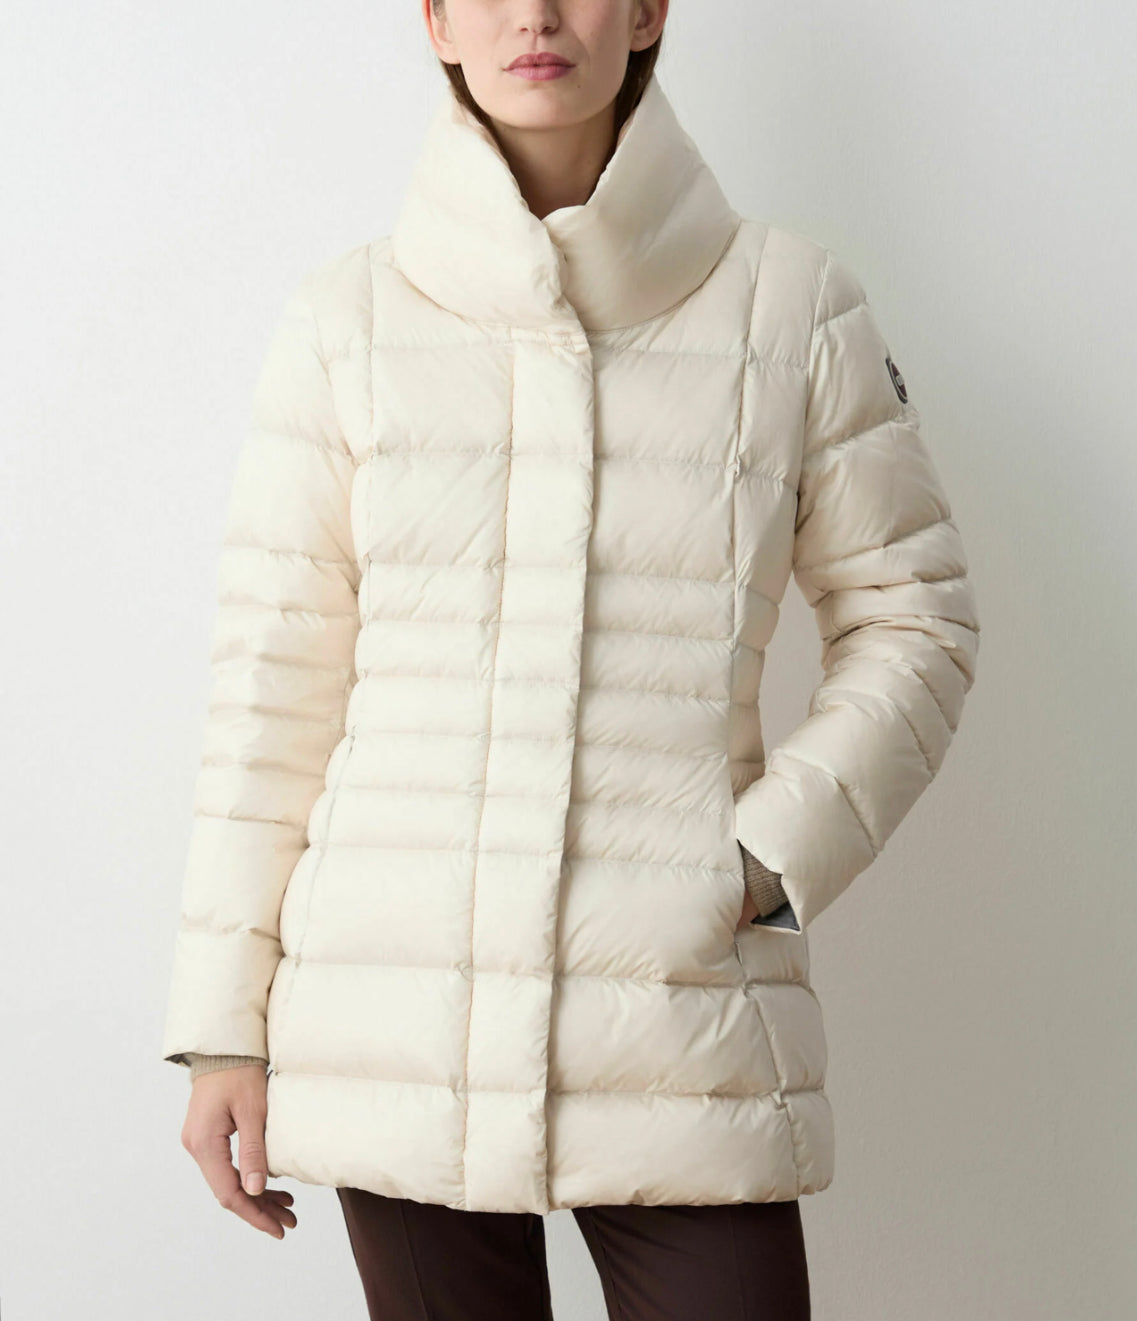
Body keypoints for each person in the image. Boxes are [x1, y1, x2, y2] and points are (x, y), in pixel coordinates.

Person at [161, 1, 980, 1317]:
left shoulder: (790, 307)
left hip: (677, 1000)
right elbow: (274, 692)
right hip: (393, 1007)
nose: (535, 14)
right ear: (435, 19)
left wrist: (765, 860)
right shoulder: (346, 323)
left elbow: (915, 617)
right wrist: (221, 1026)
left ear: (648, 8)